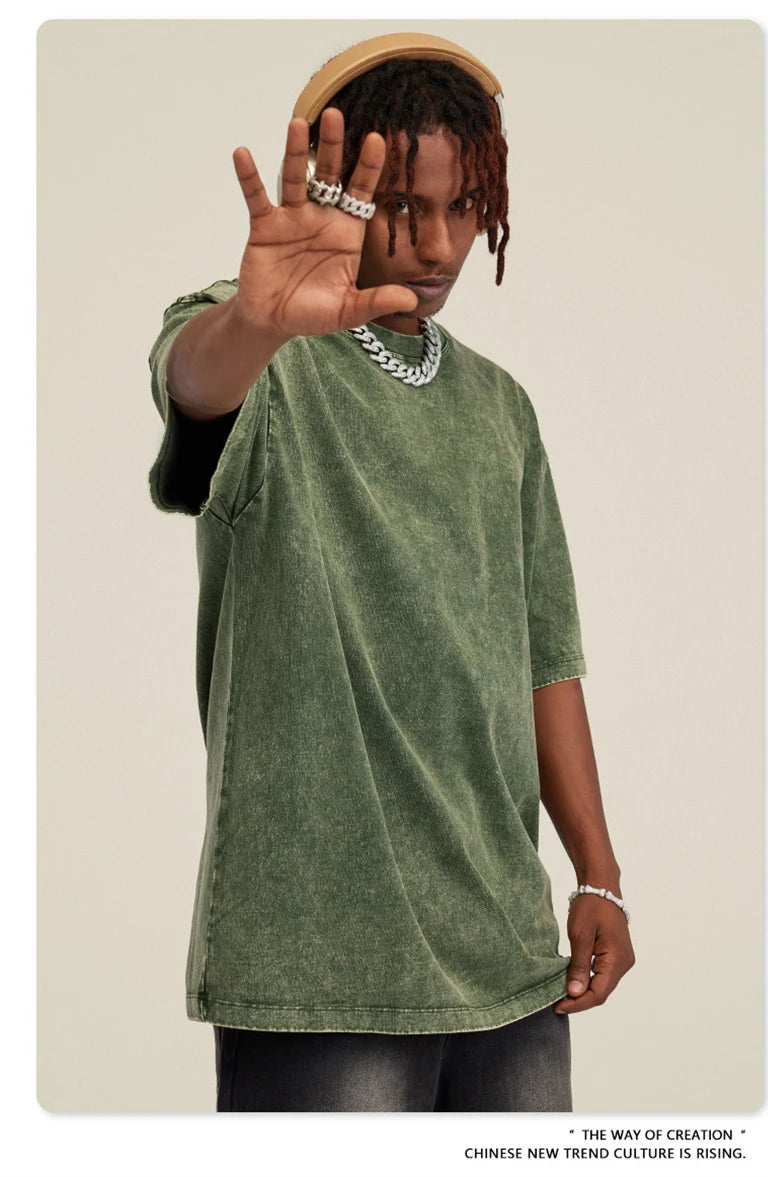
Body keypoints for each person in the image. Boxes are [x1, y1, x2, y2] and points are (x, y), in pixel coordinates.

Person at [147, 32, 634, 1113]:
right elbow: (194, 385)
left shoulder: (501, 408)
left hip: (508, 958)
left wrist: (597, 872)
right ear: (343, 189)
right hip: (322, 966)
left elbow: (545, 656)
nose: (437, 243)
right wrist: (252, 323)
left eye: (462, 207)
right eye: (404, 207)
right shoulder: (268, 361)